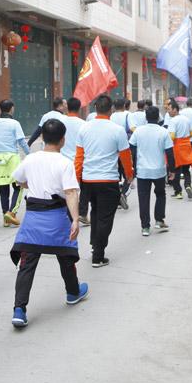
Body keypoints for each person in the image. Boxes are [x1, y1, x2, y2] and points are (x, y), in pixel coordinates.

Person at [8, 119, 89, 327]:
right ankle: (73, 292)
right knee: (66, 257)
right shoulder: (64, 163)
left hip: (34, 219)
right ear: (63, 140)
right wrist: (75, 220)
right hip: (57, 218)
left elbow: (17, 179)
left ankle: (19, 309)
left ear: (42, 137)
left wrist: (30, 183)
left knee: (27, 263)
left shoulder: (31, 159)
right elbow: (71, 193)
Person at [74, 94, 134, 267]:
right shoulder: (117, 130)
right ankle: (98, 255)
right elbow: (125, 157)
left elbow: (79, 157)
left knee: (95, 213)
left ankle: (95, 246)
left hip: (88, 180)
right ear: (111, 110)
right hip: (108, 180)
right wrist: (129, 175)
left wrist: (76, 179)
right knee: (105, 218)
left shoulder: (84, 129)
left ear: (95, 108)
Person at [129, 106, 176, 237]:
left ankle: (145, 227)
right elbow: (170, 153)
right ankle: (159, 220)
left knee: (143, 198)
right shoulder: (163, 132)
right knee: (160, 194)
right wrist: (172, 169)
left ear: (146, 118)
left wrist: (133, 167)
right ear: (158, 117)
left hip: (143, 171)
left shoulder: (138, 131)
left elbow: (131, 149)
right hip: (159, 171)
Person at [0, 99, 29, 227]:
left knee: (3, 189)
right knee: (19, 186)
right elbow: (22, 142)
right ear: (11, 108)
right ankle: (11, 213)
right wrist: (30, 154)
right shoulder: (14, 123)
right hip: (12, 158)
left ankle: (5, 217)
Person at [61, 98, 90, 226]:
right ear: (79, 108)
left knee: (66, 189)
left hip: (62, 161)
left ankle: (66, 213)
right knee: (83, 188)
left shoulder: (60, 122)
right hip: (79, 161)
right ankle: (82, 213)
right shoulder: (84, 124)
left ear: (67, 108)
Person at [166, 100, 192, 200]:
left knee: (175, 170)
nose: (168, 112)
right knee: (186, 170)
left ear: (175, 109)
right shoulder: (186, 119)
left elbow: (171, 136)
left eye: (169, 109)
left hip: (177, 147)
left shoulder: (173, 121)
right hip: (187, 146)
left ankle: (178, 192)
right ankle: (188, 185)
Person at [110, 98, 132, 210]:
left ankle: (116, 198)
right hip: (124, 147)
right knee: (128, 174)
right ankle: (123, 193)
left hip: (113, 149)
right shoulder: (127, 115)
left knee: (116, 174)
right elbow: (132, 129)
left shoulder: (111, 116)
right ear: (124, 106)